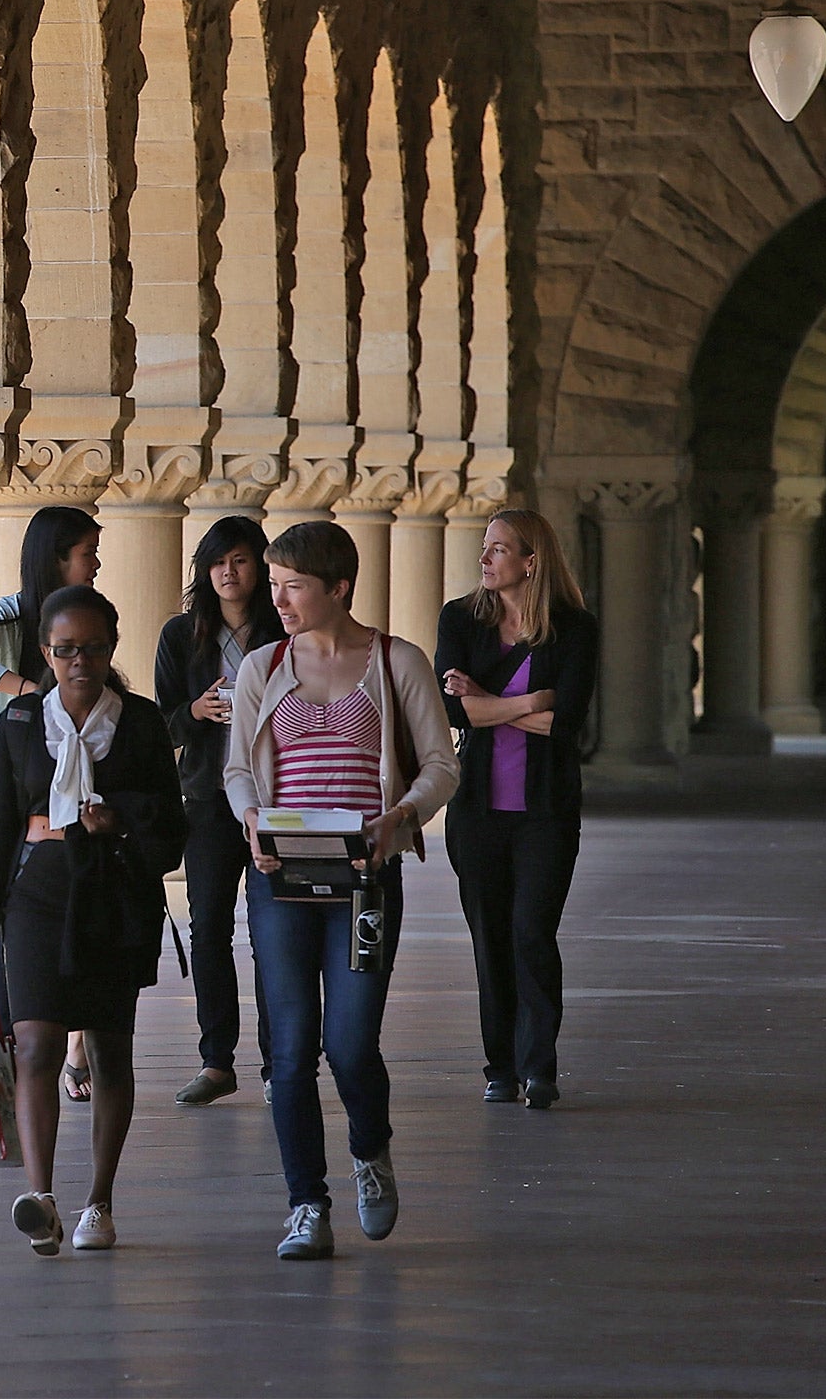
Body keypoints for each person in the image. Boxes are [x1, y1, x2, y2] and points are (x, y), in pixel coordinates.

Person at [224, 521, 458, 1261]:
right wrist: (251, 818)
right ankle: (306, 1205)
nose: (279, 598)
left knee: (351, 1044)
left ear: (339, 588)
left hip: (364, 878)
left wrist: (403, 815)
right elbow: (237, 771)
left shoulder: (396, 662)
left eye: (294, 586)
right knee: (290, 1053)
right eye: (275, 584)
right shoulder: (264, 666)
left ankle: (369, 1152)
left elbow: (441, 765)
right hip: (280, 880)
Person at [0, 585, 186, 1255]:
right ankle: (42, 1195)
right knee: (33, 1043)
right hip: (40, 891)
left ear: (111, 648)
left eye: (91, 648)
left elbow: (170, 830)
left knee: (111, 1050)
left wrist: (116, 817)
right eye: (65, 650)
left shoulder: (143, 724)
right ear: (46, 653)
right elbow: (0, 825)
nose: (78, 661)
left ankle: (99, 1202)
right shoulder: (23, 722)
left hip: (114, 891)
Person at [435, 508, 597, 1112]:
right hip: (476, 809)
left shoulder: (575, 629)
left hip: (545, 810)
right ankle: (499, 1066)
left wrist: (487, 700)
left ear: (531, 561)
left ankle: (539, 1068)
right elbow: (453, 713)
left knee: (531, 933)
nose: (485, 559)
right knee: (489, 939)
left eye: (499, 549)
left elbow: (567, 723)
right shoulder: (460, 619)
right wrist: (529, 701)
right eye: (485, 547)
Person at [0, 505, 101, 1096]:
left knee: (66, 913)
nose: (95, 562)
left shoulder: (87, 617)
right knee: (3, 915)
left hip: (68, 787)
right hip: (3, 783)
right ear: (58, 557)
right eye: (87, 551)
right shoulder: (10, 612)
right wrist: (27, 687)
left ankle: (68, 1043)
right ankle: (11, 1059)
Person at [154, 516, 284, 1107]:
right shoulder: (182, 636)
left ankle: (279, 1062)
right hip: (207, 797)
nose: (228, 573)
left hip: (274, 798)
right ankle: (217, 1060)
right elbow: (159, 722)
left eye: (240, 560)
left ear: (259, 565)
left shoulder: (283, 629)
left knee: (271, 931)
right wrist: (197, 711)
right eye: (217, 563)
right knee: (208, 927)